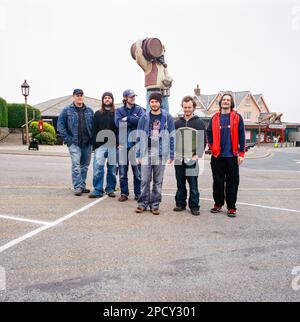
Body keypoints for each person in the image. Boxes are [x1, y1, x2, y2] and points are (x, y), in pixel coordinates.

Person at [207, 93, 246, 217]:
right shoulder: (214, 118)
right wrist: (212, 147)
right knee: (217, 182)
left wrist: (241, 154)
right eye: (224, 99)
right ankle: (218, 204)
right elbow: (208, 133)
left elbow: (242, 136)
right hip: (217, 156)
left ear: (231, 103)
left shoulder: (237, 117)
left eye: (228, 100)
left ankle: (231, 207)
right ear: (220, 102)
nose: (226, 101)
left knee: (232, 183)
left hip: (232, 156)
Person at [136, 92, 175, 215]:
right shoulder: (144, 117)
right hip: (146, 152)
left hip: (160, 153)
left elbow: (172, 136)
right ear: (149, 103)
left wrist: (172, 154)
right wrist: (138, 154)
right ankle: (142, 204)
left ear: (160, 103)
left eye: (156, 101)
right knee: (145, 180)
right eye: (152, 101)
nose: (154, 104)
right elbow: (139, 136)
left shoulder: (167, 117)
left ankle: (155, 205)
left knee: (158, 181)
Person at [174, 96, 206, 216]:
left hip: (191, 158)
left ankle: (194, 206)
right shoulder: (177, 123)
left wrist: (197, 155)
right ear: (182, 107)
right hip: (179, 158)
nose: (187, 109)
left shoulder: (199, 123)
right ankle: (180, 203)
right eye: (185, 107)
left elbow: (203, 140)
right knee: (180, 183)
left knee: (193, 184)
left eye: (189, 107)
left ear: (193, 108)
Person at [57, 89, 94, 196]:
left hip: (87, 143)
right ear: (73, 97)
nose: (79, 97)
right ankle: (77, 187)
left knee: (84, 166)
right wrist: (68, 139)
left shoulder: (89, 111)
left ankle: (82, 186)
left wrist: (93, 139)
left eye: (81, 95)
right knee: (76, 165)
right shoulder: (67, 110)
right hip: (74, 143)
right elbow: (60, 125)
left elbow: (93, 126)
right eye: (77, 95)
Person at [114, 89, 145, 202]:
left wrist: (127, 119)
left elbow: (142, 121)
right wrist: (133, 121)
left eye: (134, 96)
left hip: (136, 146)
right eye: (130, 96)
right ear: (125, 98)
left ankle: (138, 193)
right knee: (122, 173)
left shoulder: (139, 109)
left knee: (137, 173)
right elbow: (118, 123)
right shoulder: (119, 110)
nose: (133, 98)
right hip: (123, 146)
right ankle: (124, 193)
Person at [89, 92, 118, 198]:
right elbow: (94, 130)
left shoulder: (116, 114)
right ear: (102, 100)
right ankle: (97, 189)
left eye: (109, 98)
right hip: (100, 146)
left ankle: (110, 189)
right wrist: (95, 145)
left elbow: (119, 130)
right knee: (98, 169)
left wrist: (118, 144)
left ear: (112, 100)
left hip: (113, 146)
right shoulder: (97, 114)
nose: (107, 99)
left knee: (112, 169)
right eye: (105, 98)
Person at [134, 39, 173, 113]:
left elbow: (168, 80)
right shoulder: (148, 64)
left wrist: (169, 82)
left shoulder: (163, 66)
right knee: (150, 115)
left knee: (166, 115)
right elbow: (139, 59)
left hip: (164, 93)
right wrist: (139, 47)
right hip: (152, 92)